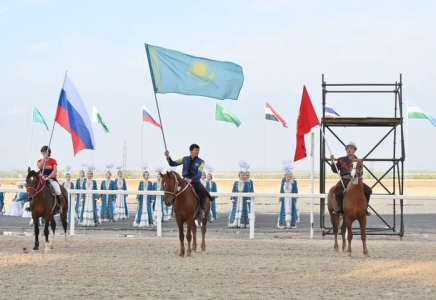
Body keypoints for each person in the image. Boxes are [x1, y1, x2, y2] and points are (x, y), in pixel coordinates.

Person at [164, 144, 212, 219]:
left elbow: (199, 174)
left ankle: (201, 210)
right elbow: (172, 163)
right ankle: (174, 211)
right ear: (191, 151)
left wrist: (191, 179)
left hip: (195, 181)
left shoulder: (201, 162)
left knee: (202, 191)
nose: (197, 152)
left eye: (198, 150)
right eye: (196, 150)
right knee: (175, 190)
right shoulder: (184, 159)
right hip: (184, 180)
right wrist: (167, 157)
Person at [330, 142, 372, 215]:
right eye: (348, 148)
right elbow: (335, 170)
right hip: (344, 180)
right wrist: (332, 162)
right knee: (337, 189)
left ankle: (365, 208)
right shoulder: (341, 159)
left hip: (355, 180)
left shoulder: (358, 160)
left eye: (351, 148)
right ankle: (340, 208)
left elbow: (360, 171)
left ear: (354, 150)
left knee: (368, 190)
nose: (349, 150)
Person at [36, 146, 63, 213]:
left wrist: (49, 177)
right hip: (42, 179)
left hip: (51, 179)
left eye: (46, 151)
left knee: (57, 190)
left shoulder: (53, 161)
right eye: (43, 151)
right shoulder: (39, 161)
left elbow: (55, 171)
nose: (44, 152)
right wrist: (44, 159)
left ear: (49, 152)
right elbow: (39, 166)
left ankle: (59, 205)